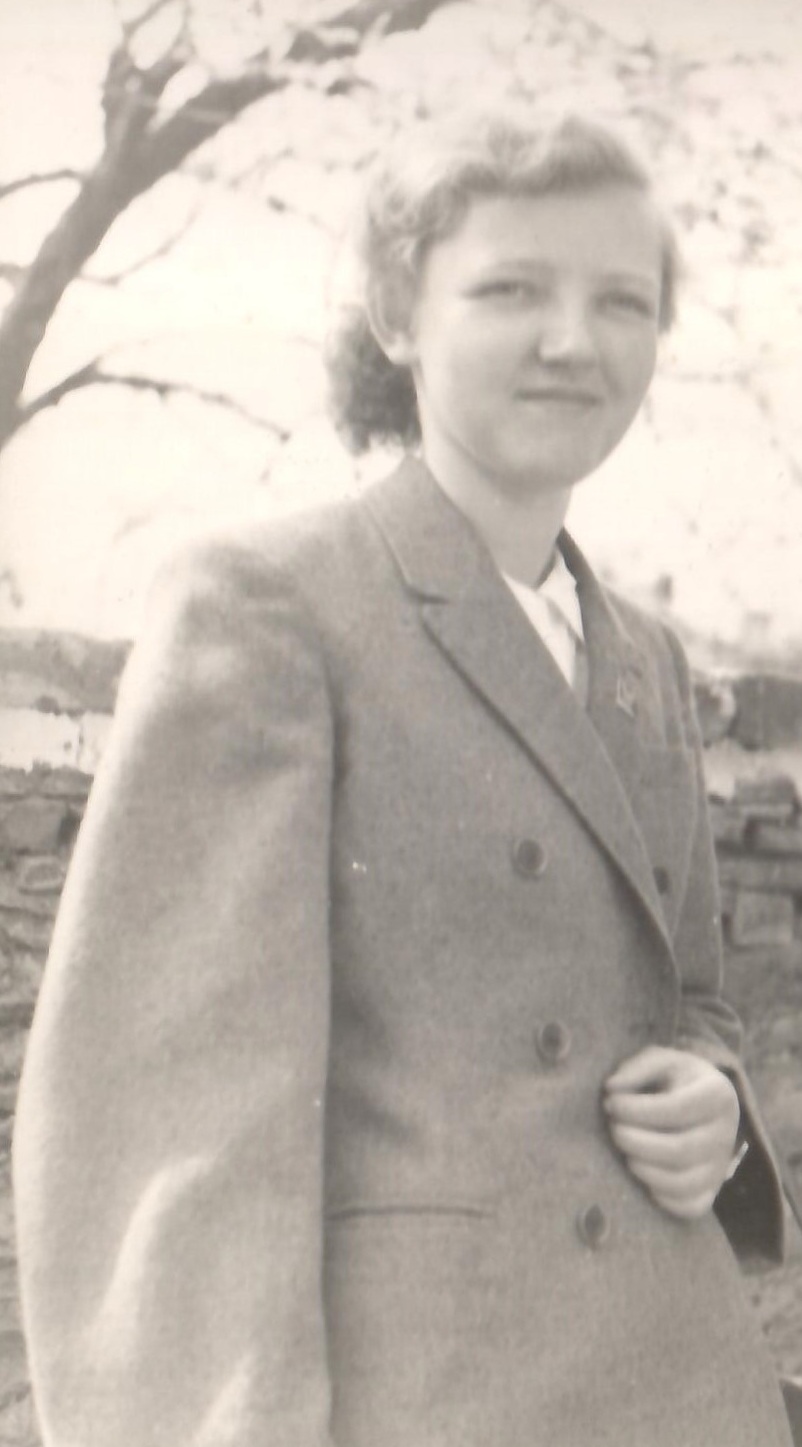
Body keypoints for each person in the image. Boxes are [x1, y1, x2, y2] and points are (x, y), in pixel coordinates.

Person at [12, 108, 797, 1447]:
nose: (572, 340)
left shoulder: (647, 660)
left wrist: (716, 1108)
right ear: (395, 316)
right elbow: (172, 1138)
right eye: (510, 289)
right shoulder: (269, 606)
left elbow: (689, 1002)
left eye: (621, 299)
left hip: (682, 1391)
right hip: (427, 1402)